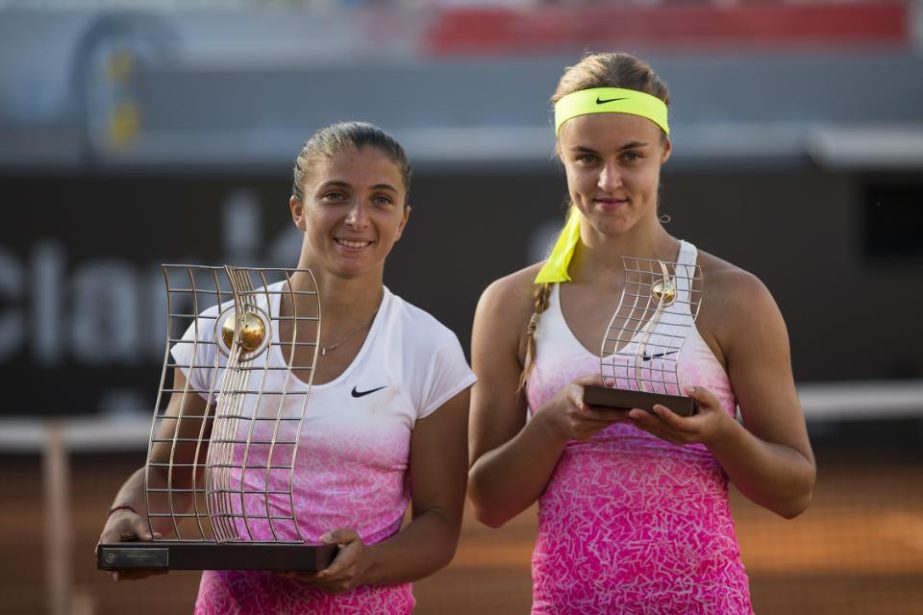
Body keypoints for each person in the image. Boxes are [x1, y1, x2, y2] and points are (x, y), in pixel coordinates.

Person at [467, 52, 816, 614]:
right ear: (561, 156)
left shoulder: (736, 297)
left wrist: (719, 433)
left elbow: (795, 490)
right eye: (586, 158)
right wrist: (555, 424)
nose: (609, 181)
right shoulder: (509, 304)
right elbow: (488, 501)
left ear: (664, 153)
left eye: (631, 156)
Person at [98, 121, 475, 614]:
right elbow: (170, 478)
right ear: (299, 210)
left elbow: (440, 523)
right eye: (336, 195)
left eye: (381, 200)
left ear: (402, 221)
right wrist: (127, 517)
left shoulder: (430, 348)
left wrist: (366, 563)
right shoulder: (221, 330)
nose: (357, 218)